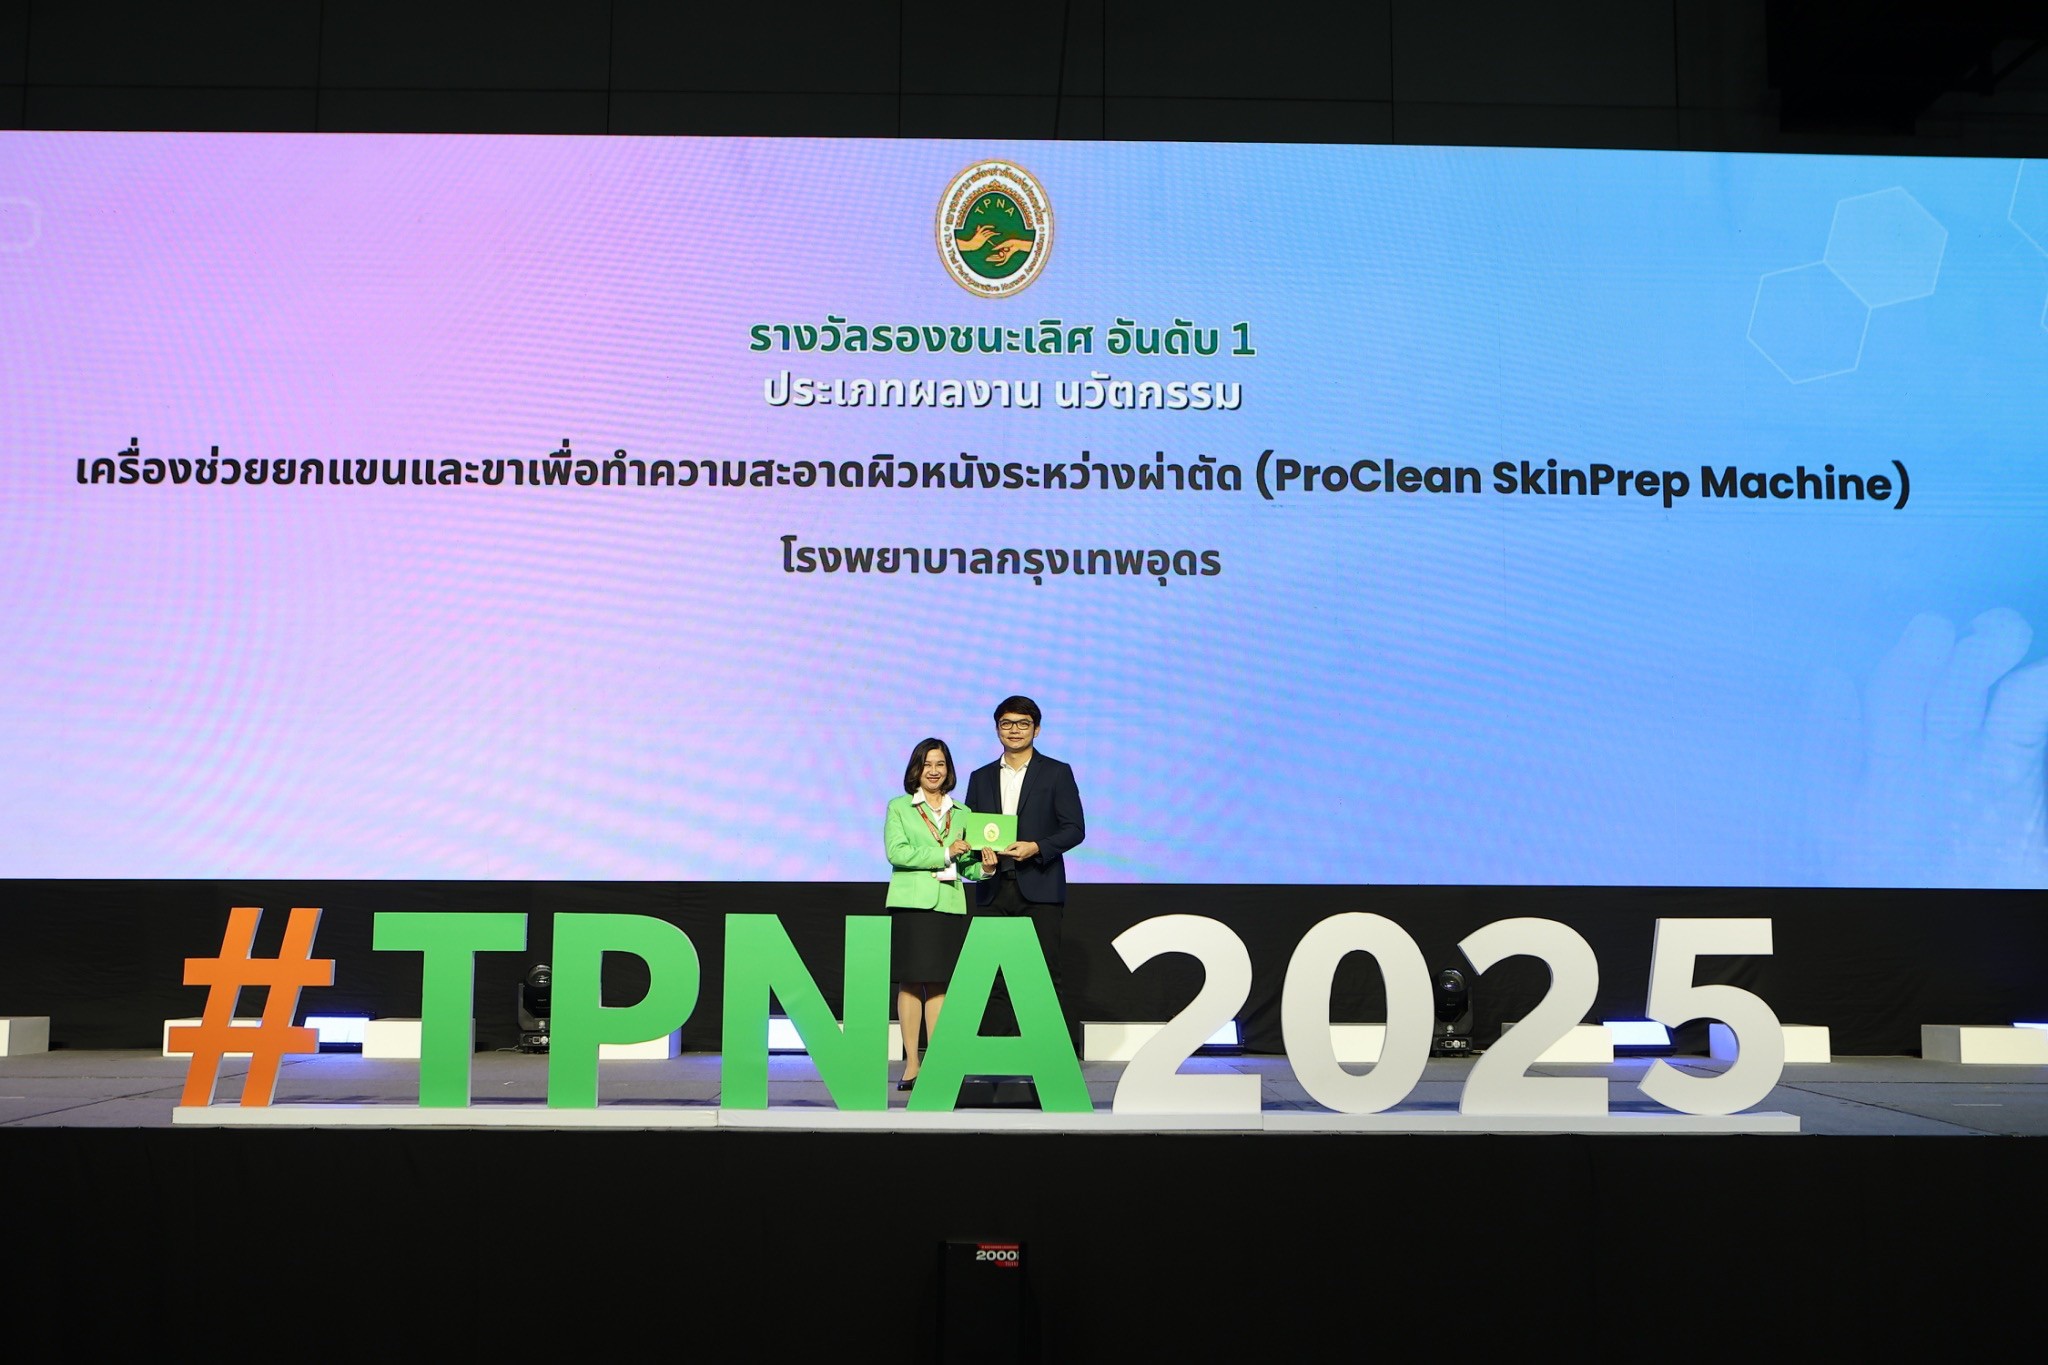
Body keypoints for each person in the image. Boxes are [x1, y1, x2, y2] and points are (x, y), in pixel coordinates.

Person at [964, 696, 1086, 1033]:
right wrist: (978, 854)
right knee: (989, 977)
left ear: (1037, 729)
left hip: (1040, 886)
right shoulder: (980, 777)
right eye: (1007, 723)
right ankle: (995, 1050)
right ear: (997, 729)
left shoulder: (1057, 772)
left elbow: (1074, 829)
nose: (1014, 730)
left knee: (1043, 973)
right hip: (992, 888)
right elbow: (971, 830)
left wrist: (1037, 847)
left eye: (1023, 724)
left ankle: (1048, 1053)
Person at [884, 738, 985, 1091]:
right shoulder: (899, 807)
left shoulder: (964, 813)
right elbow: (897, 853)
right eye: (927, 764)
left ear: (948, 769)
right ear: (916, 769)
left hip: (948, 904)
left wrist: (985, 868)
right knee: (911, 982)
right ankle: (912, 1063)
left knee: (940, 983)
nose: (933, 770)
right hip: (912, 904)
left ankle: (938, 1062)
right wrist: (944, 853)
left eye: (940, 764)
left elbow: (968, 866)